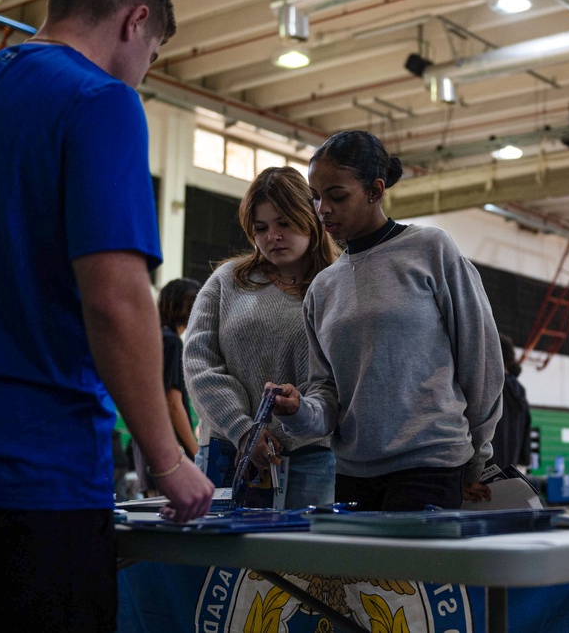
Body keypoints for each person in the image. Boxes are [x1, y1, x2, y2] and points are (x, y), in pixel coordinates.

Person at [0, 0, 215, 630]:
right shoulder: (98, 101)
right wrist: (168, 461)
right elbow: (116, 299)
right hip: (31, 477)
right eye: (151, 57)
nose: (142, 74)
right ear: (136, 22)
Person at [269, 130, 504, 511]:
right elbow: (326, 389)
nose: (322, 208)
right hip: (352, 474)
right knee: (360, 574)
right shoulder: (323, 288)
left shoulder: (431, 250)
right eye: (315, 197)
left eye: (337, 196)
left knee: (413, 574)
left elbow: (481, 360)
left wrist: (476, 457)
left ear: (375, 191)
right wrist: (299, 411)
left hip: (429, 466)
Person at [185, 166, 340, 508]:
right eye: (261, 228)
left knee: (298, 561)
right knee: (222, 560)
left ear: (311, 216)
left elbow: (343, 379)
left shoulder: (339, 286)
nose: (273, 236)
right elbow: (198, 361)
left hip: (310, 460)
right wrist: (243, 430)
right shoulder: (227, 281)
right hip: (228, 453)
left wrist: (302, 412)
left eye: (284, 222)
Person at [134, 278, 202, 497]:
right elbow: (173, 404)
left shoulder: (152, 338)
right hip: (170, 453)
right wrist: (197, 452)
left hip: (147, 452)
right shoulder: (172, 342)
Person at [488, 334, 533, 470]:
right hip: (510, 469)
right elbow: (526, 430)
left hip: (483, 468)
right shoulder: (520, 390)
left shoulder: (489, 385)